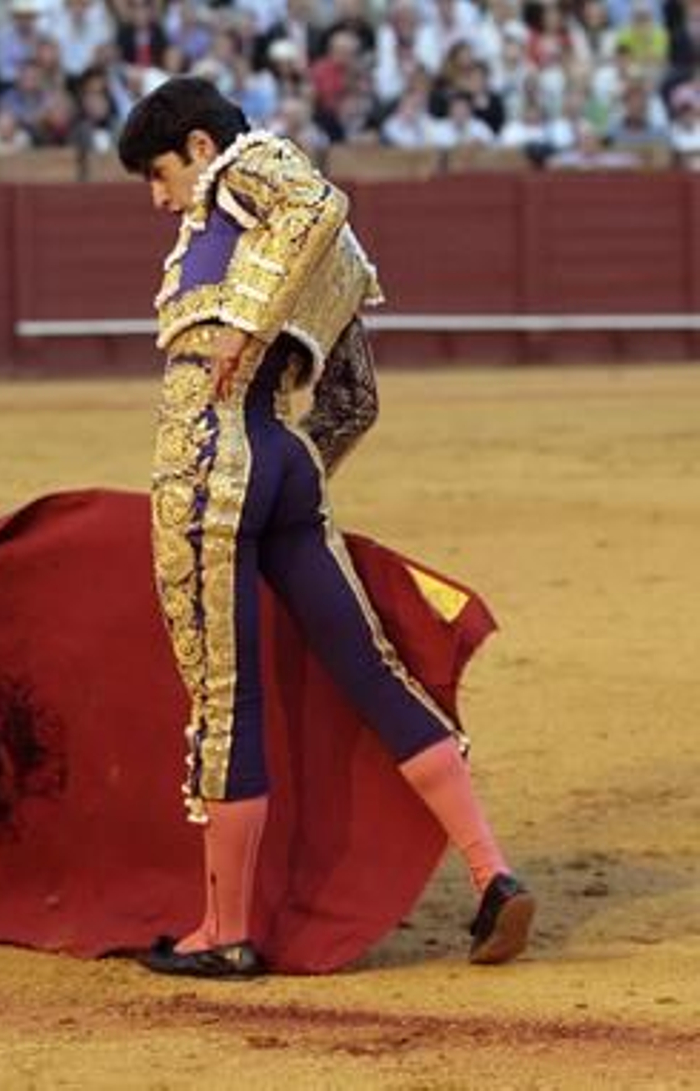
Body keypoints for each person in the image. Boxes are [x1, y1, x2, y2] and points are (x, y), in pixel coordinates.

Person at [115, 77, 534, 978]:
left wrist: (244, 329)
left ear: (197, 146)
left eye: (159, 174)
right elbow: (353, 400)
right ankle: (491, 871)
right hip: (287, 465)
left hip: (210, 463)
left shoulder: (240, 171)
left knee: (226, 703)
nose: (160, 199)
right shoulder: (332, 256)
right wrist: (285, 488)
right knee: (371, 669)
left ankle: (223, 931)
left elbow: (312, 197)